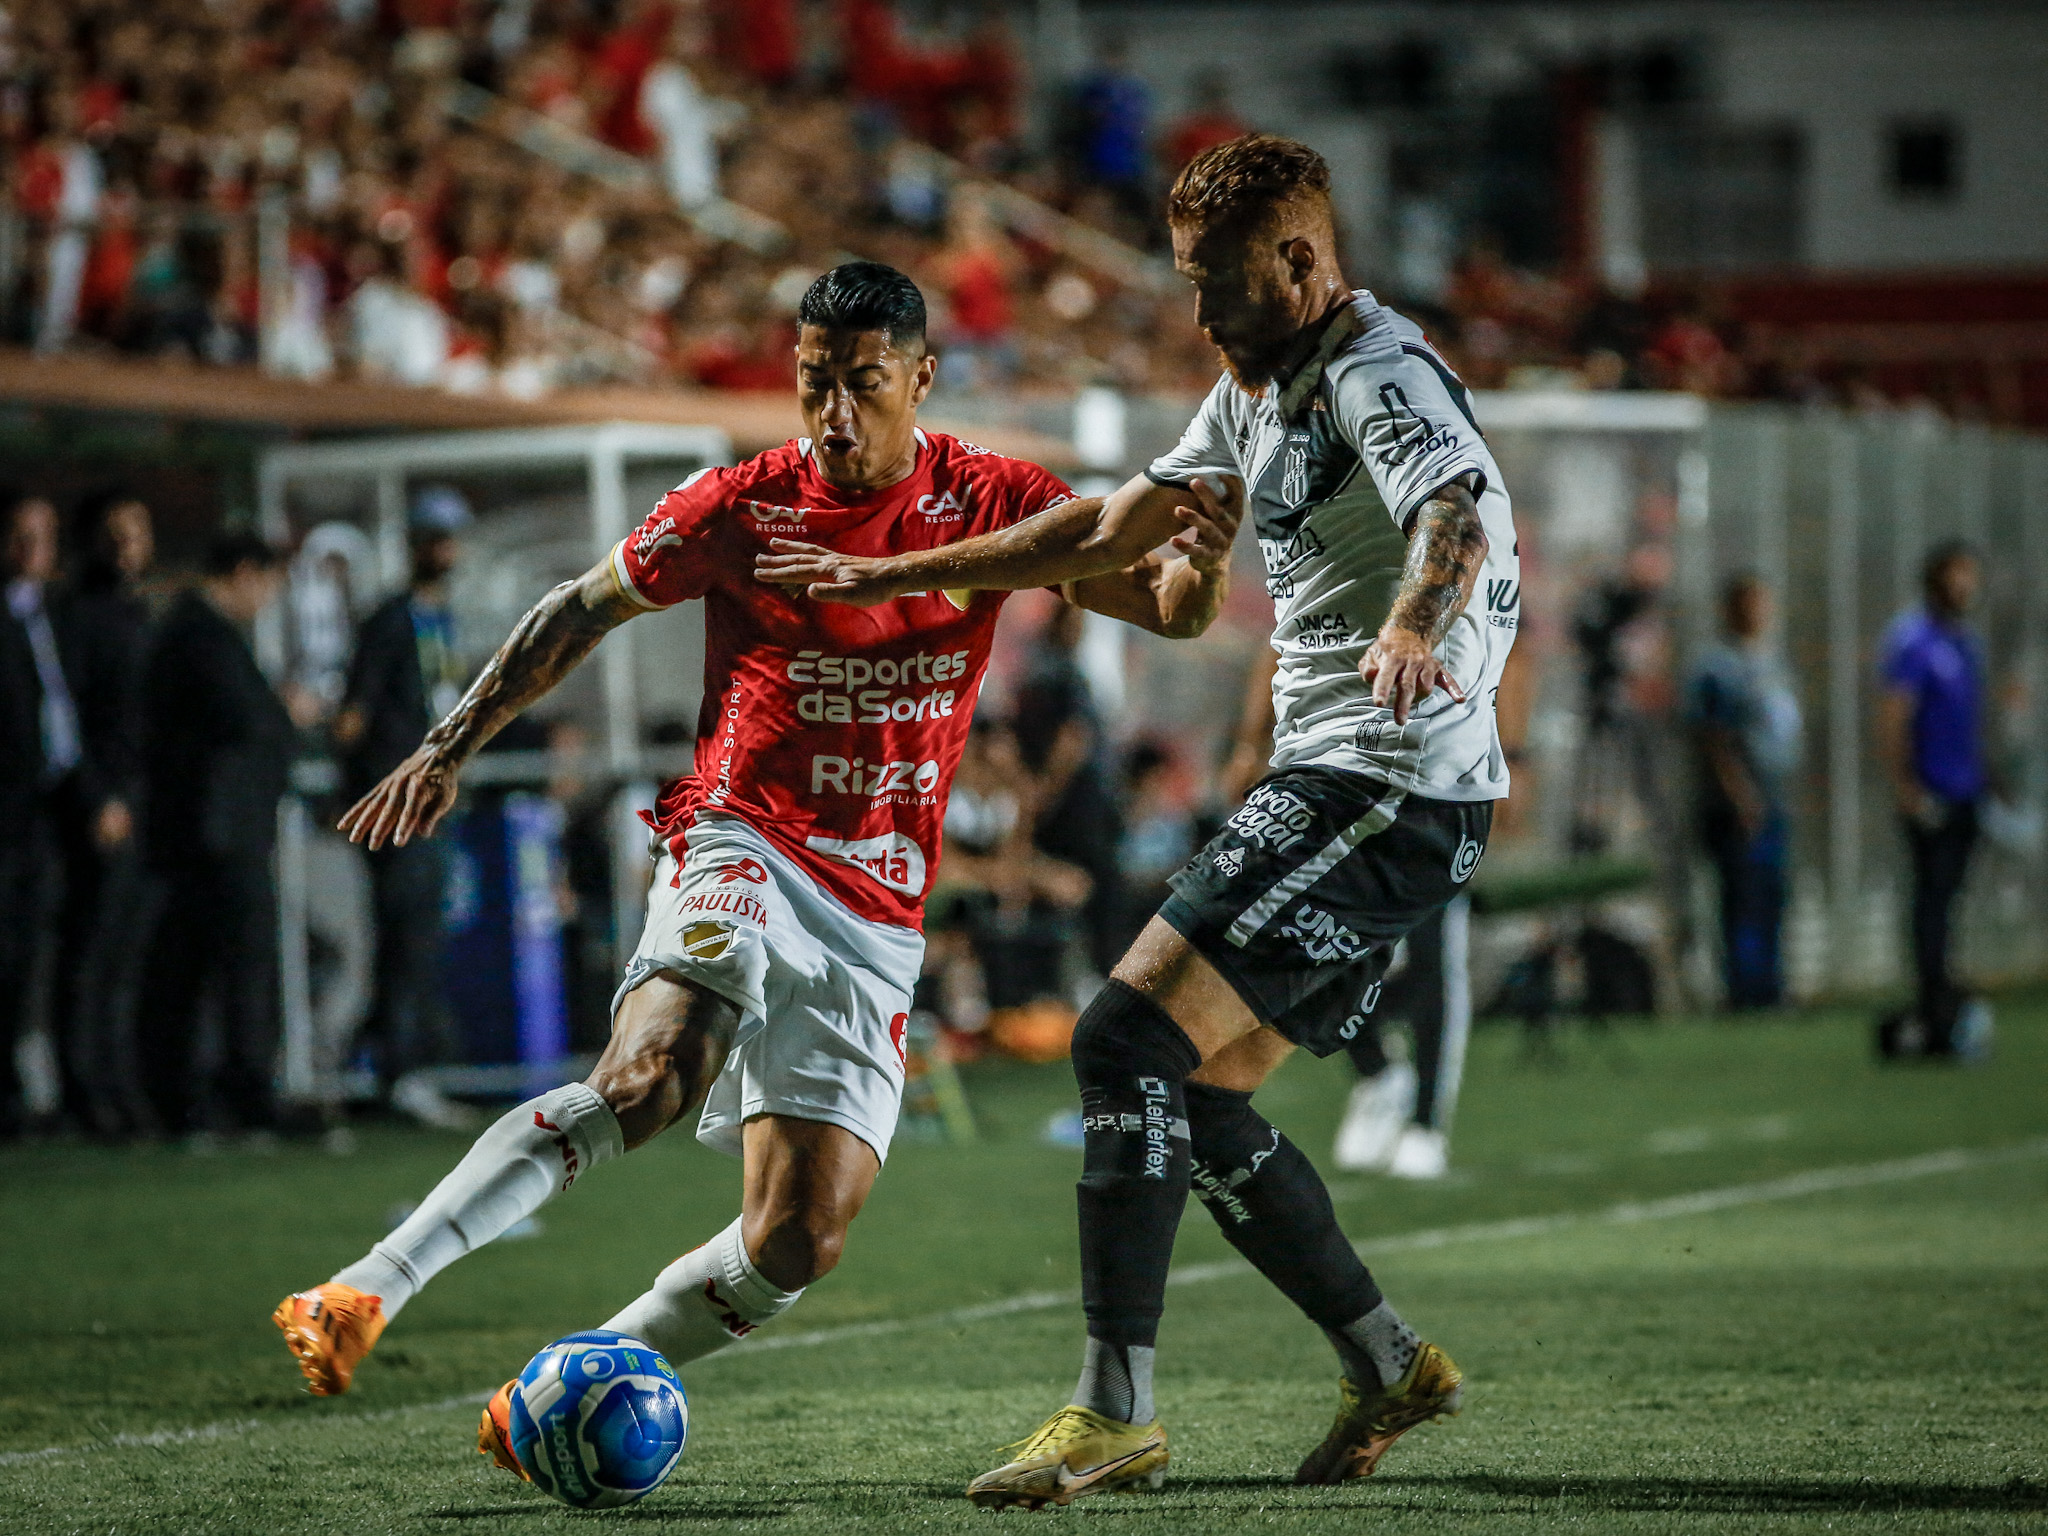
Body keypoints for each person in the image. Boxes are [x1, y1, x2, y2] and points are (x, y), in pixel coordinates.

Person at [269, 265, 1242, 1493]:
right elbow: (577, 610)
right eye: (813, 385)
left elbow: (1158, 605)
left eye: (861, 385)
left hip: (878, 900)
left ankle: (564, 1390)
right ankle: (365, 1288)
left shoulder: (992, 499)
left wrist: (1200, 569)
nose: (832, 415)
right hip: (745, 834)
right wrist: (447, 743)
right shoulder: (741, 504)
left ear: (921, 379)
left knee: (797, 1240)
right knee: (651, 1072)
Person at [760, 135, 1520, 1503]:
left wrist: (1413, 620)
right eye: (1184, 282)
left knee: (1120, 1033)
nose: (1199, 314)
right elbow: (1099, 536)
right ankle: (1387, 1361)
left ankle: (1115, 1409)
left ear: (1300, 260)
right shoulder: (1254, 390)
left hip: (1387, 781)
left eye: (1219, 283)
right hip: (1354, 779)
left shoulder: (1373, 371)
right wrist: (900, 561)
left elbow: (1455, 509)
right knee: (1202, 1099)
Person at [137, 532, 296, 1142]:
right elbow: (243, 718)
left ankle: (194, 1097)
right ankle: (232, 1096)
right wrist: (287, 714)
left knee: (194, 968)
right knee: (227, 968)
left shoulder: (194, 632)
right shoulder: (199, 634)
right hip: (216, 835)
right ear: (244, 571)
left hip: (215, 833)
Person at [335, 486, 473, 1124]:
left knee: (420, 936)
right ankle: (394, 1071)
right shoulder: (391, 619)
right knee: (404, 938)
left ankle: (391, 1067)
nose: (444, 550)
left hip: (432, 804)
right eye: (434, 538)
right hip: (405, 806)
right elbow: (356, 718)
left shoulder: (440, 616)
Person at [55, 491, 160, 1137]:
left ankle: (121, 1088)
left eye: (137, 531)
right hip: (107, 810)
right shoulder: (78, 619)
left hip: (144, 807)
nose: (127, 545)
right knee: (92, 955)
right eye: (115, 532)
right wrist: (101, 798)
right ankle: (85, 1090)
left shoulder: (138, 614)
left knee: (127, 958)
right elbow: (70, 722)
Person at [1875, 542, 1992, 1059]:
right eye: (1957, 576)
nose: (1966, 587)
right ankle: (1932, 999)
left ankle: (1946, 990)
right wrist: (1906, 787)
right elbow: (1895, 715)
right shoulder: (1913, 640)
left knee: (1951, 897)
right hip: (1931, 793)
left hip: (1966, 791)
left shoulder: (1965, 643)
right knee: (1931, 896)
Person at [1686, 573, 1801, 1010]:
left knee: (1773, 895)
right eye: (1750, 603)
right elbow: (1713, 739)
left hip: (1775, 799)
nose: (1760, 612)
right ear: (1731, 609)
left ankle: (1772, 985)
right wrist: (1740, 795)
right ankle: (1746, 991)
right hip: (1739, 806)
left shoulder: (1773, 661)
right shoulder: (1716, 667)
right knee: (1743, 897)